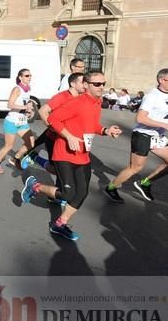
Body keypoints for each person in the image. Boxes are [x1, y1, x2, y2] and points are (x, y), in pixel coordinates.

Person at [20, 72, 122, 241]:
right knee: (68, 194)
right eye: (97, 84)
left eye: (103, 83)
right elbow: (53, 118)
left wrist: (106, 131)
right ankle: (35, 186)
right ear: (87, 85)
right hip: (64, 154)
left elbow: (92, 125)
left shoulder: (97, 103)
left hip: (83, 156)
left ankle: (60, 224)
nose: (101, 87)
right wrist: (68, 136)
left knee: (81, 193)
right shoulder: (77, 102)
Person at [104, 69, 168, 202]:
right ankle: (111, 188)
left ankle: (145, 182)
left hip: (158, 136)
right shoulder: (152, 96)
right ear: (161, 80)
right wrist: (163, 125)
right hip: (143, 135)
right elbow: (140, 118)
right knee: (135, 168)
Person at [0, 69, 35, 174]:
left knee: (31, 142)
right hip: (12, 122)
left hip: (22, 121)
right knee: (9, 146)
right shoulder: (17, 89)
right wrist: (25, 106)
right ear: (20, 77)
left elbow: (24, 106)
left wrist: (28, 111)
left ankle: (16, 158)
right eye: (26, 75)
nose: (29, 77)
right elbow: (9, 105)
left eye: (30, 75)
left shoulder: (27, 89)